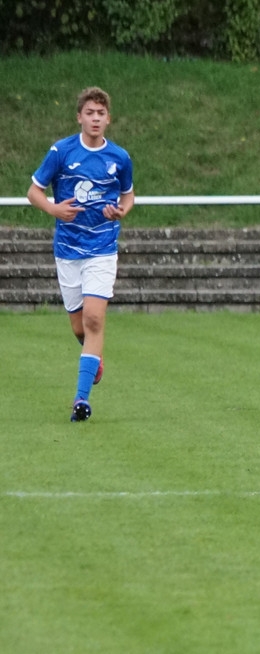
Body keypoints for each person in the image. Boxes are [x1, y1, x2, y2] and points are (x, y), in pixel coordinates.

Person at [27, 86, 135, 422]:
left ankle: (81, 400)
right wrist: (54, 209)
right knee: (79, 328)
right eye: (90, 113)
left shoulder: (119, 157)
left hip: (102, 249)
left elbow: (128, 195)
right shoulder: (61, 151)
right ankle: (94, 358)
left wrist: (121, 211)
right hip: (68, 250)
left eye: (101, 113)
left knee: (93, 320)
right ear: (79, 117)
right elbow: (33, 191)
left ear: (108, 119)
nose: (95, 119)